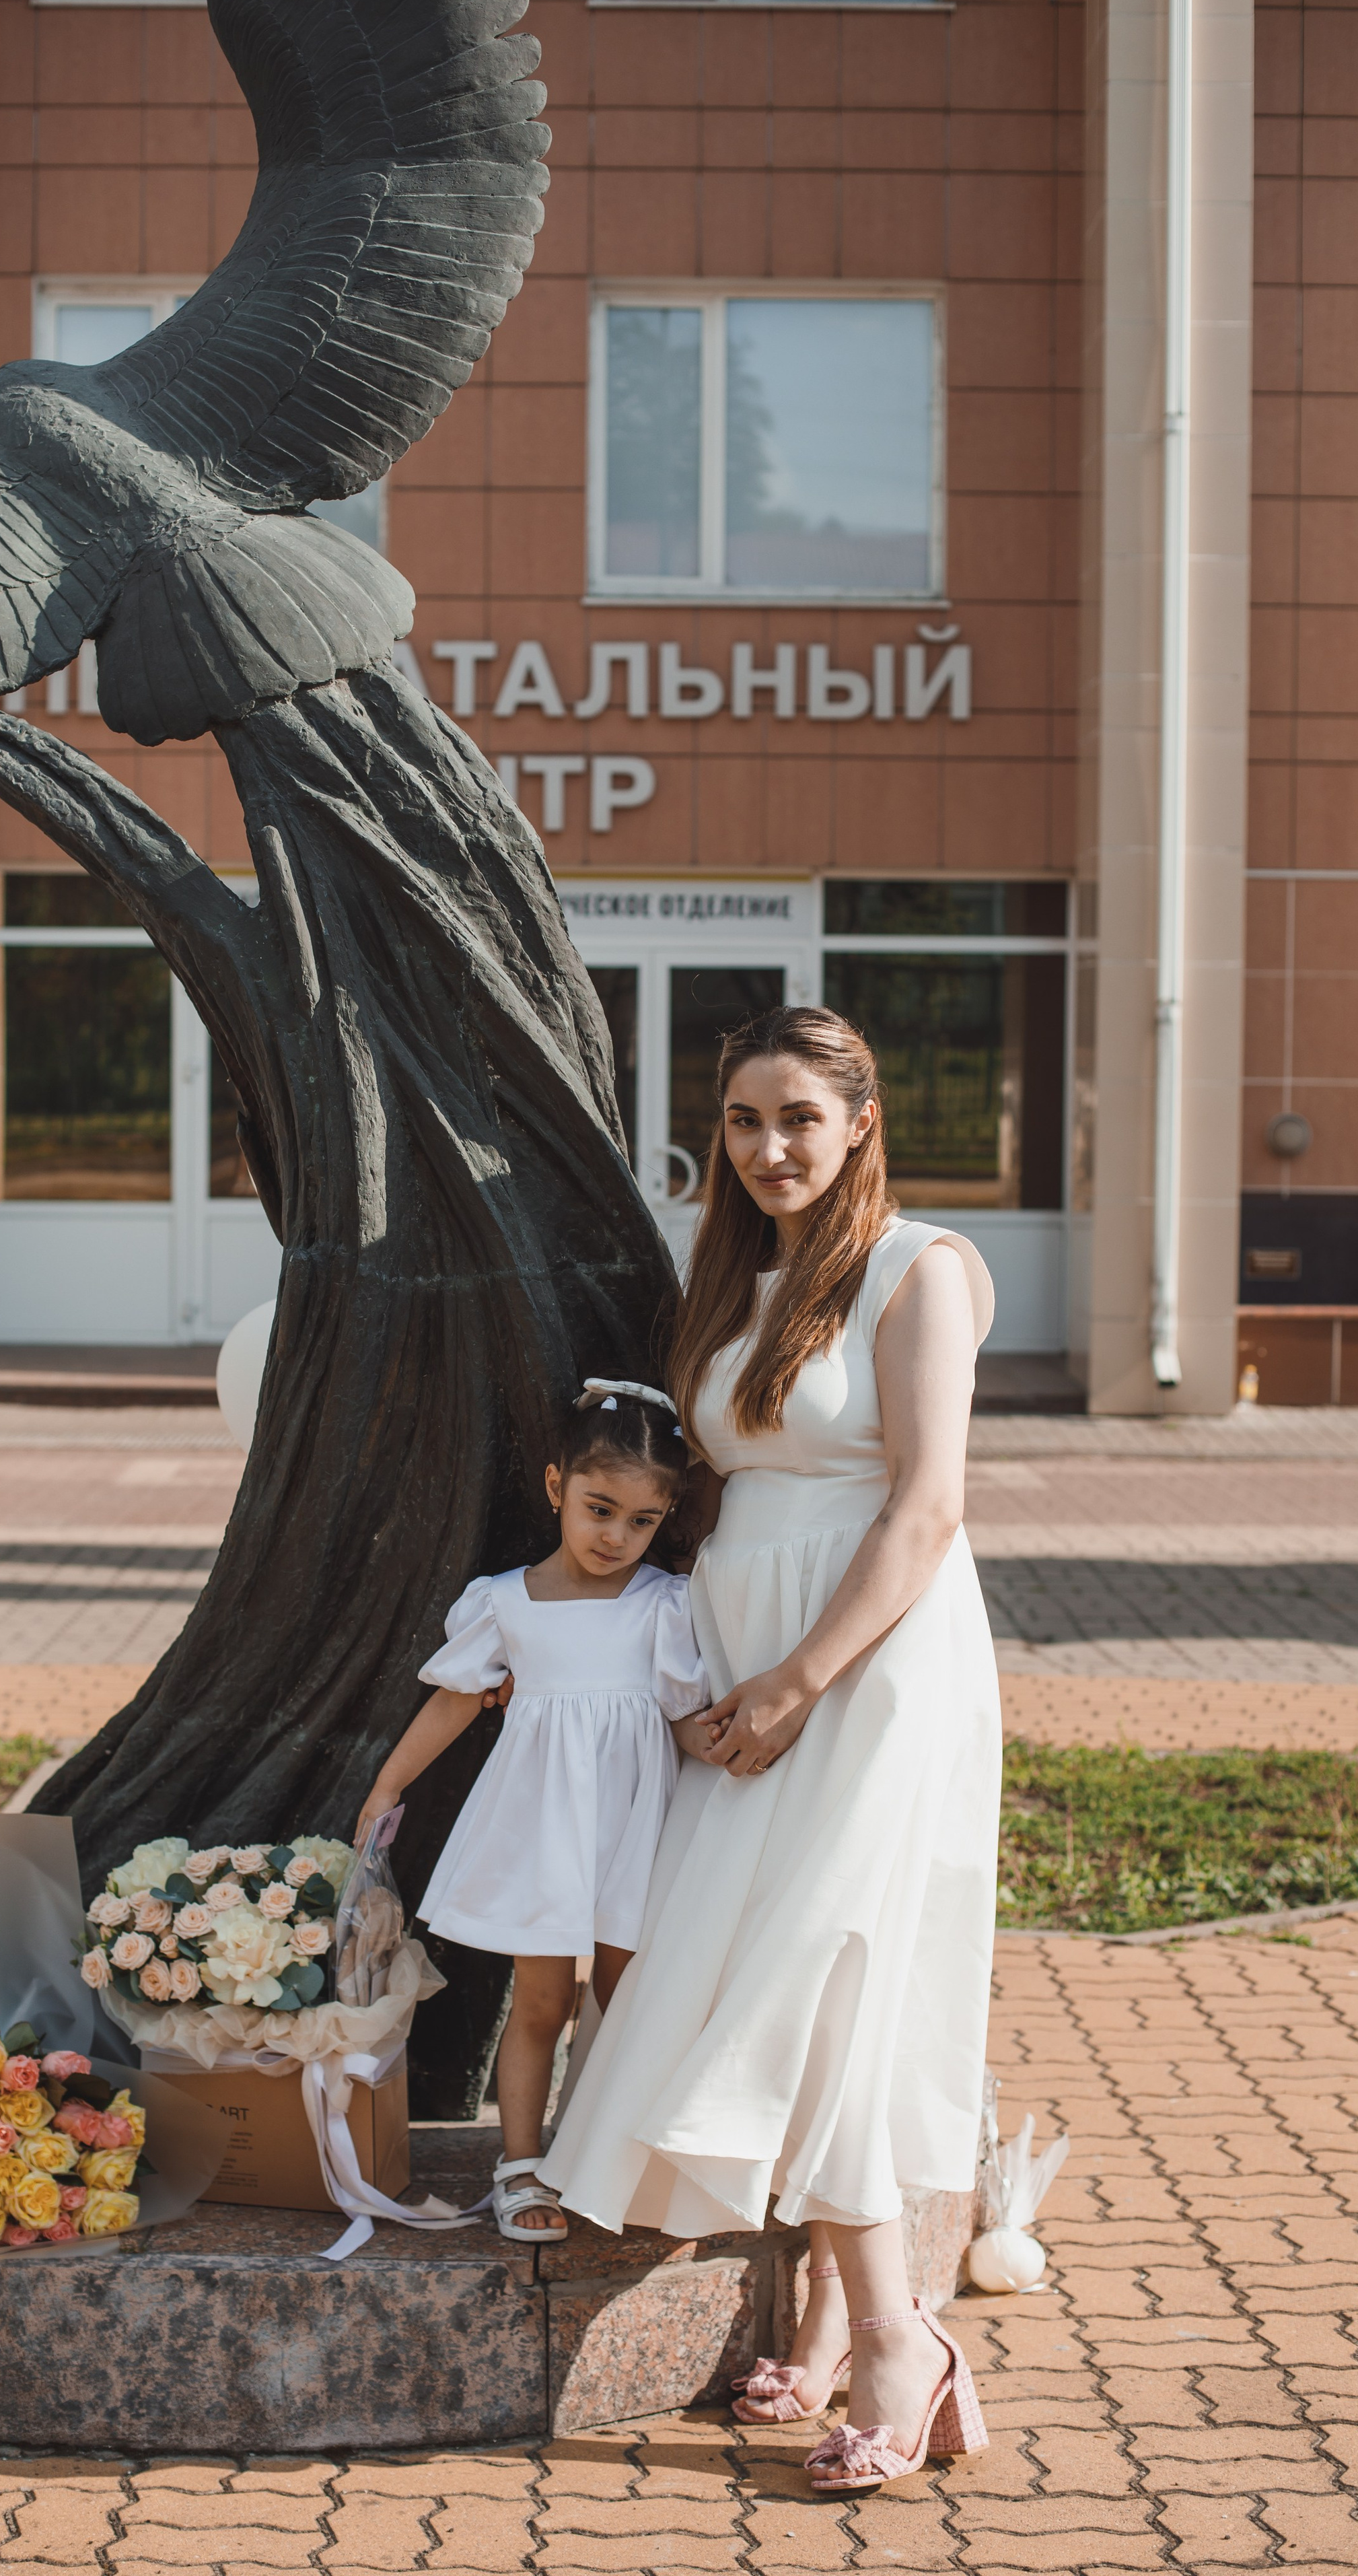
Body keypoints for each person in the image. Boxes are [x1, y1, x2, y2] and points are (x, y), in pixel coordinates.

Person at [538, 1007, 1001, 2497]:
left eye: (798, 1117)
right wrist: (689, 1674)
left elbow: (923, 1509)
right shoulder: (732, 1282)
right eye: (742, 1120)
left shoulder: (919, 1271)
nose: (769, 1148)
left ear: (858, 1121)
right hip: (744, 1657)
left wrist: (800, 1679)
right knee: (760, 1963)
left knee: (822, 1969)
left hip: (868, 1657)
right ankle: (812, 2313)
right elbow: (706, 1508)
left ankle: (892, 2343)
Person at [354, 1382, 713, 2243]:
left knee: (630, 1999)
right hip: (547, 1833)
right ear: (556, 1487)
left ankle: (619, 2157)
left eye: (641, 1521)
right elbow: (451, 1701)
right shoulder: (504, 1603)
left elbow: (687, 1719)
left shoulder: (662, 1605)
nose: (616, 1537)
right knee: (541, 2003)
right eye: (599, 1509)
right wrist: (387, 1785)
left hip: (635, 1830)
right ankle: (519, 2164)